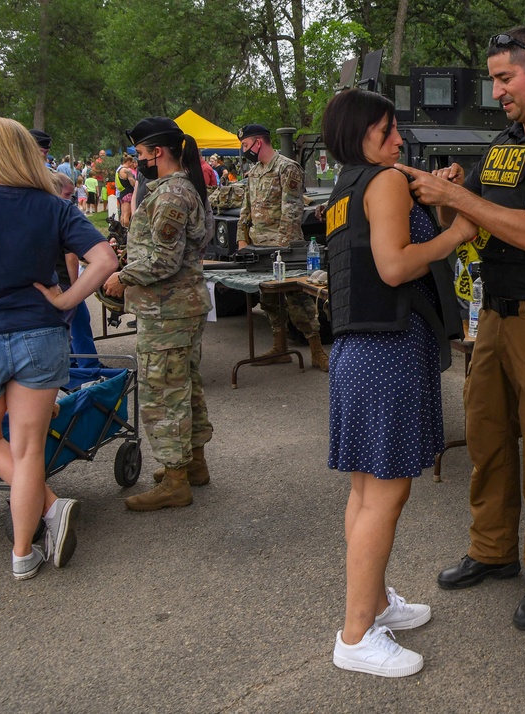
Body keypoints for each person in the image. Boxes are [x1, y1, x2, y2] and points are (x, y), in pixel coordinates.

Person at [398, 27, 525, 631]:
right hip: (494, 317)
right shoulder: (506, 142)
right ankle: (492, 552)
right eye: (493, 79)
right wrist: (452, 195)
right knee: (488, 442)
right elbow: (473, 222)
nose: (497, 92)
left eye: (505, 78)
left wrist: (455, 197)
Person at [322, 89, 473, 677]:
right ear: (361, 135)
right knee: (385, 493)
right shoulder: (381, 182)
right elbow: (394, 265)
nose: (398, 140)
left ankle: (376, 603)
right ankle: (356, 633)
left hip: (359, 349)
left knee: (366, 491)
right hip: (387, 350)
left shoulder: (348, 184)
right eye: (387, 132)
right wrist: (458, 232)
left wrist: (432, 189)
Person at [0, 117, 117, 580]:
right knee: (27, 452)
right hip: (40, 334)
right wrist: (63, 300)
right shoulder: (52, 205)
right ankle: (23, 554)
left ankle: (54, 508)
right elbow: (104, 260)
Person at [102, 117, 214, 511]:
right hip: (177, 308)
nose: (139, 161)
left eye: (141, 154)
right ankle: (193, 465)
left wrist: (121, 276)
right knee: (185, 385)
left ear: (158, 153)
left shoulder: (170, 195)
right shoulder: (176, 190)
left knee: (163, 393)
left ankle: (176, 480)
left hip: (168, 310)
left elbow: (163, 260)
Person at [236, 123, 328, 371]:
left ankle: (317, 351)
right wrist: (241, 240)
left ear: (259, 142)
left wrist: (282, 249)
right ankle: (280, 347)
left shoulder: (287, 168)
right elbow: (246, 209)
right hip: (259, 248)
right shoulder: (254, 172)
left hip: (284, 248)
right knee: (268, 300)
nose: (244, 150)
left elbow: (292, 211)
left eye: (246, 145)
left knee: (298, 300)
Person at [116, 155, 137, 227]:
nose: (133, 164)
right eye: (132, 162)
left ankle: (121, 230)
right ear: (128, 162)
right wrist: (137, 183)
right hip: (129, 193)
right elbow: (132, 182)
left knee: (122, 214)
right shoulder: (127, 171)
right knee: (127, 215)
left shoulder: (119, 170)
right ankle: (127, 230)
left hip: (122, 193)